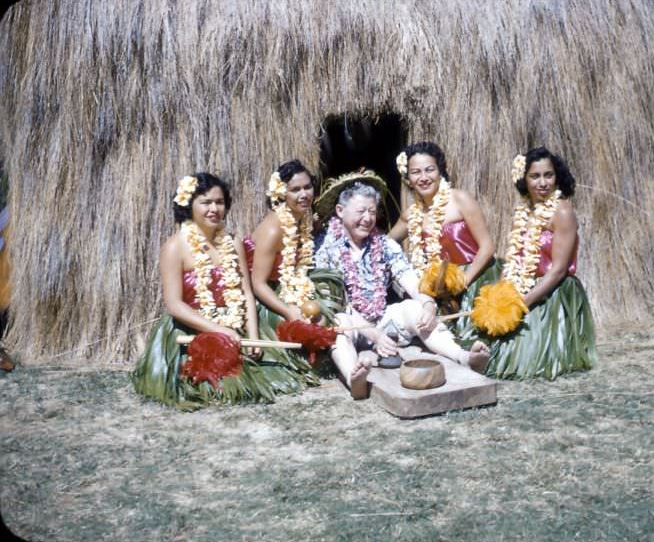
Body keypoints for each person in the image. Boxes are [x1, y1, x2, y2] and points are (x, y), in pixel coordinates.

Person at [313, 170, 490, 399]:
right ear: (340, 211)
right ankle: (353, 377)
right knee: (337, 324)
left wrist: (427, 304)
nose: (367, 218)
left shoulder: (383, 244)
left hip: (382, 317)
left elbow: (407, 276)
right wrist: (374, 335)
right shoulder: (324, 248)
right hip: (352, 323)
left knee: (414, 309)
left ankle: (464, 357)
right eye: (360, 211)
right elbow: (334, 305)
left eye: (372, 211)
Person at [132, 173, 289, 409]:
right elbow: (174, 305)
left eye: (219, 202)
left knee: (275, 370)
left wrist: (254, 336)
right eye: (206, 202)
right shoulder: (174, 247)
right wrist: (219, 330)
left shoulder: (233, 240)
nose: (214, 208)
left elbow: (246, 292)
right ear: (189, 206)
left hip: (233, 323)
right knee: (223, 385)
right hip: (191, 325)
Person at [466, 147, 597, 380]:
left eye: (549, 175)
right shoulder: (525, 209)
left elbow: (557, 271)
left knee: (518, 353)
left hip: (553, 292)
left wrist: (518, 305)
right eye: (535, 176)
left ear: (558, 177)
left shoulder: (562, 211)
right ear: (524, 180)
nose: (543, 182)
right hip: (524, 285)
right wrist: (506, 294)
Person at [247, 160, 346, 386]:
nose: (304, 194)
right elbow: (258, 284)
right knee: (310, 323)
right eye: (295, 190)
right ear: (282, 194)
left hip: (292, 284)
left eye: (307, 187)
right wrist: (288, 310)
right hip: (267, 296)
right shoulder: (273, 230)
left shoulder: (301, 219)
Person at [389, 142, 497, 334]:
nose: (423, 178)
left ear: (440, 172)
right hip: (441, 291)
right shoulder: (411, 215)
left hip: (477, 279)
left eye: (429, 170)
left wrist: (463, 282)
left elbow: (487, 247)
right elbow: (385, 243)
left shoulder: (459, 199)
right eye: (415, 172)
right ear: (408, 178)